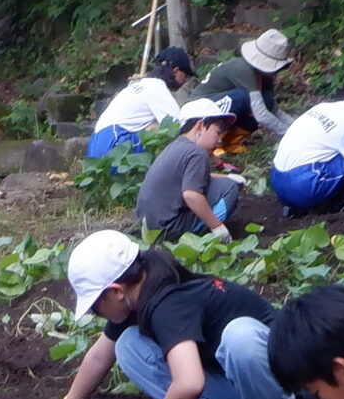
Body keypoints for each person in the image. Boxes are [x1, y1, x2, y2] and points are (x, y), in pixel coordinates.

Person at [6, 229, 298, 399]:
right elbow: (99, 355)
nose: (95, 313)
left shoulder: (168, 304)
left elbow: (190, 383)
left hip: (284, 384)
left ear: (116, 291)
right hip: (235, 382)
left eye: (95, 305)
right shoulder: (145, 278)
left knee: (240, 337)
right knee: (128, 345)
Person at [268, 73, 344, 216]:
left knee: (341, 154)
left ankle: (297, 207)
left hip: (278, 180)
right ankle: (335, 206)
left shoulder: (323, 107)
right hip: (303, 189)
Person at [134, 96, 243, 241]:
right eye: (218, 132)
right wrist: (217, 226)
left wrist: (227, 176)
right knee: (228, 188)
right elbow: (191, 195)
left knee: (224, 182)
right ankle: (203, 234)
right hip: (168, 228)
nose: (220, 140)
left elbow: (191, 177)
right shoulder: (197, 153)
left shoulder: (177, 146)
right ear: (200, 126)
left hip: (148, 227)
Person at [86, 46, 195, 159]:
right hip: (114, 142)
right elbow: (178, 126)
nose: (185, 80)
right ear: (176, 71)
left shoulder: (138, 86)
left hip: (95, 145)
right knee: (163, 129)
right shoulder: (157, 87)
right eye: (186, 75)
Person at [196, 29, 295, 141]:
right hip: (199, 109)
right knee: (241, 96)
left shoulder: (263, 77)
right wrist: (289, 134)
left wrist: (296, 127)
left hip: (219, 108)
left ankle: (230, 141)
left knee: (267, 100)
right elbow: (261, 114)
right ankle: (215, 139)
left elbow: (274, 109)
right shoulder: (243, 69)